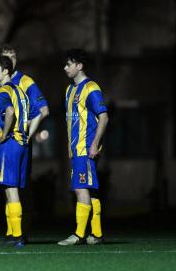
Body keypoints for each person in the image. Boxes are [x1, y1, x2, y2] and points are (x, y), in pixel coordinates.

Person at [0, 44, 49, 243]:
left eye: (13, 56)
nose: (11, 59)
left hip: (10, 142)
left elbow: (42, 110)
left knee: (15, 189)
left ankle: (17, 233)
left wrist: (21, 134)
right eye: (7, 56)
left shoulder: (23, 82)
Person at [0, 55, 43, 248]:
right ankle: (14, 233)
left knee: (10, 191)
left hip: (10, 144)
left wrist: (4, 134)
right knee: (13, 190)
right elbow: (38, 114)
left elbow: (10, 112)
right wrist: (27, 135)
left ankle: (17, 236)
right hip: (22, 145)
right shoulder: (20, 91)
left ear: (6, 71)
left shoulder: (3, 91)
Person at [58, 49, 109, 246]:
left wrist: (95, 144)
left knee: (80, 188)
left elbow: (104, 117)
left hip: (86, 147)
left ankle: (79, 234)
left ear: (79, 66)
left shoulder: (91, 88)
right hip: (75, 149)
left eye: (69, 64)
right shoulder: (69, 90)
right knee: (90, 189)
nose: (65, 68)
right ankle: (96, 234)